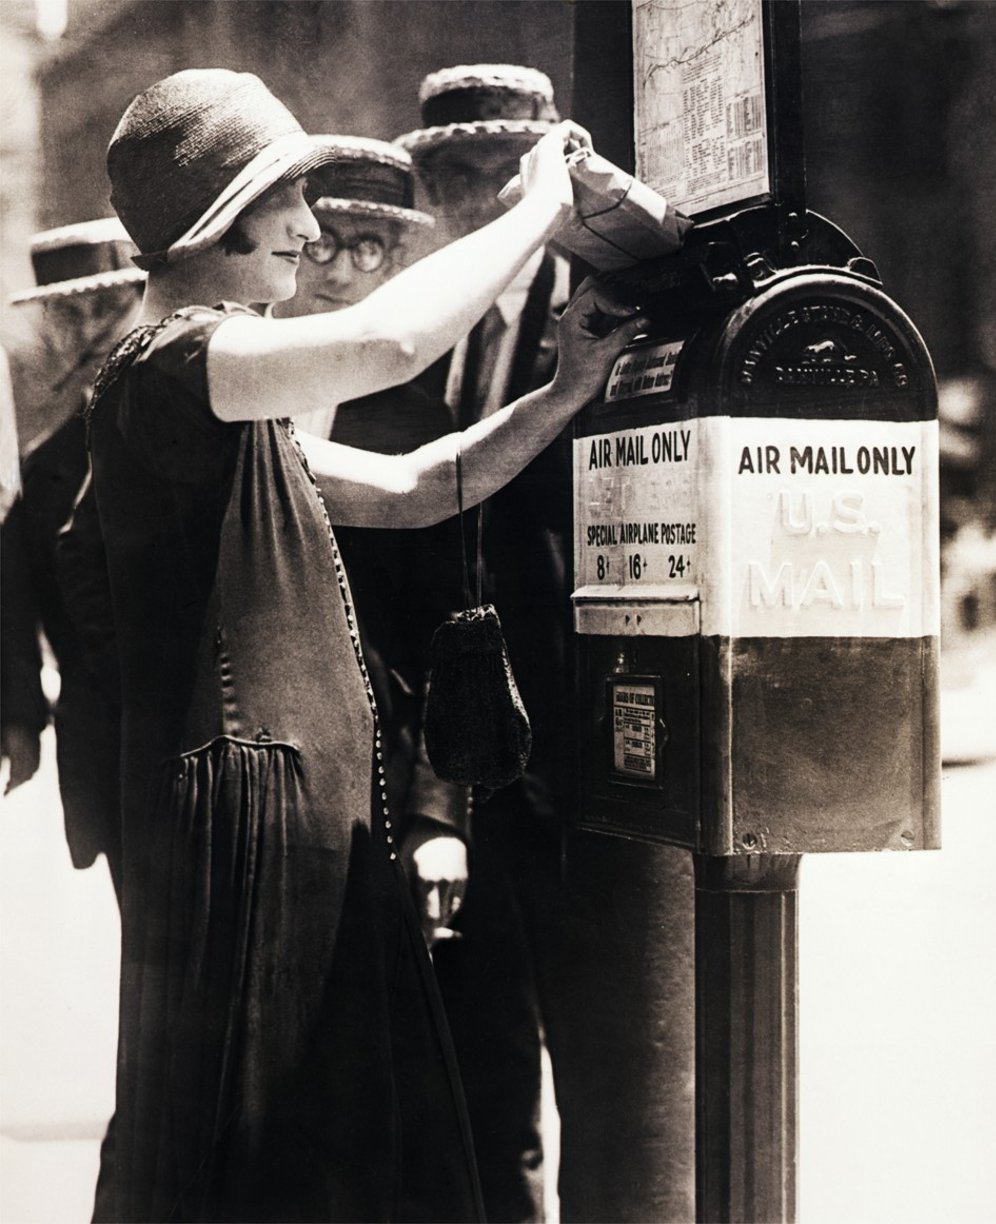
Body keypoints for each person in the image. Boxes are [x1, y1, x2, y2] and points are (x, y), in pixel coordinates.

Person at [77, 67, 644, 1224]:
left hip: (294, 821)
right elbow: (390, 342)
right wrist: (540, 204)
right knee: (282, 1160)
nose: (306, 231)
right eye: (285, 203)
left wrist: (566, 385)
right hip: (255, 826)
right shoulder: (175, 361)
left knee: (319, 1157)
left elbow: (427, 483)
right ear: (211, 213)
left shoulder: (212, 391)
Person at [395, 64, 573, 1221]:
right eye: (449, 175)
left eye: (496, 172)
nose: (472, 197)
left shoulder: (589, 311)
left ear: (541, 175)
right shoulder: (446, 334)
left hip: (574, 760)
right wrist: (437, 799)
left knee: (600, 1068)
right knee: (483, 1061)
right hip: (476, 759)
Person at [276, 136, 471, 951]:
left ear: (393, 264)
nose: (343, 272)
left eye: (370, 249)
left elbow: (452, 633)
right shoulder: (235, 386)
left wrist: (436, 816)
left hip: (371, 784)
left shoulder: (419, 428)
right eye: (322, 242)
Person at [0, 218, 142, 840]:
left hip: (215, 731)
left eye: (110, 307)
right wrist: (20, 720)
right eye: (69, 312)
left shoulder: (196, 431)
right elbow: (14, 594)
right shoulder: (43, 465)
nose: (93, 331)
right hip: (104, 749)